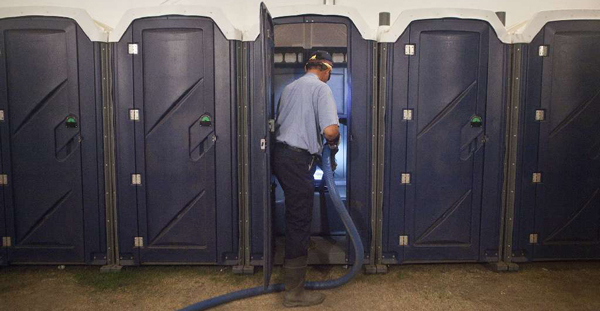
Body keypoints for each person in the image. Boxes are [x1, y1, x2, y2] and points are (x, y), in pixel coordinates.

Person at [272, 50, 340, 308]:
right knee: (300, 218)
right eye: (330, 73)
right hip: (298, 159)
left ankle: (300, 245)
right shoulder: (322, 89)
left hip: (281, 156)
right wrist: (333, 141)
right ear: (326, 70)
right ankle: (294, 292)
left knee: (295, 210)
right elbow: (330, 129)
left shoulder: (289, 88)